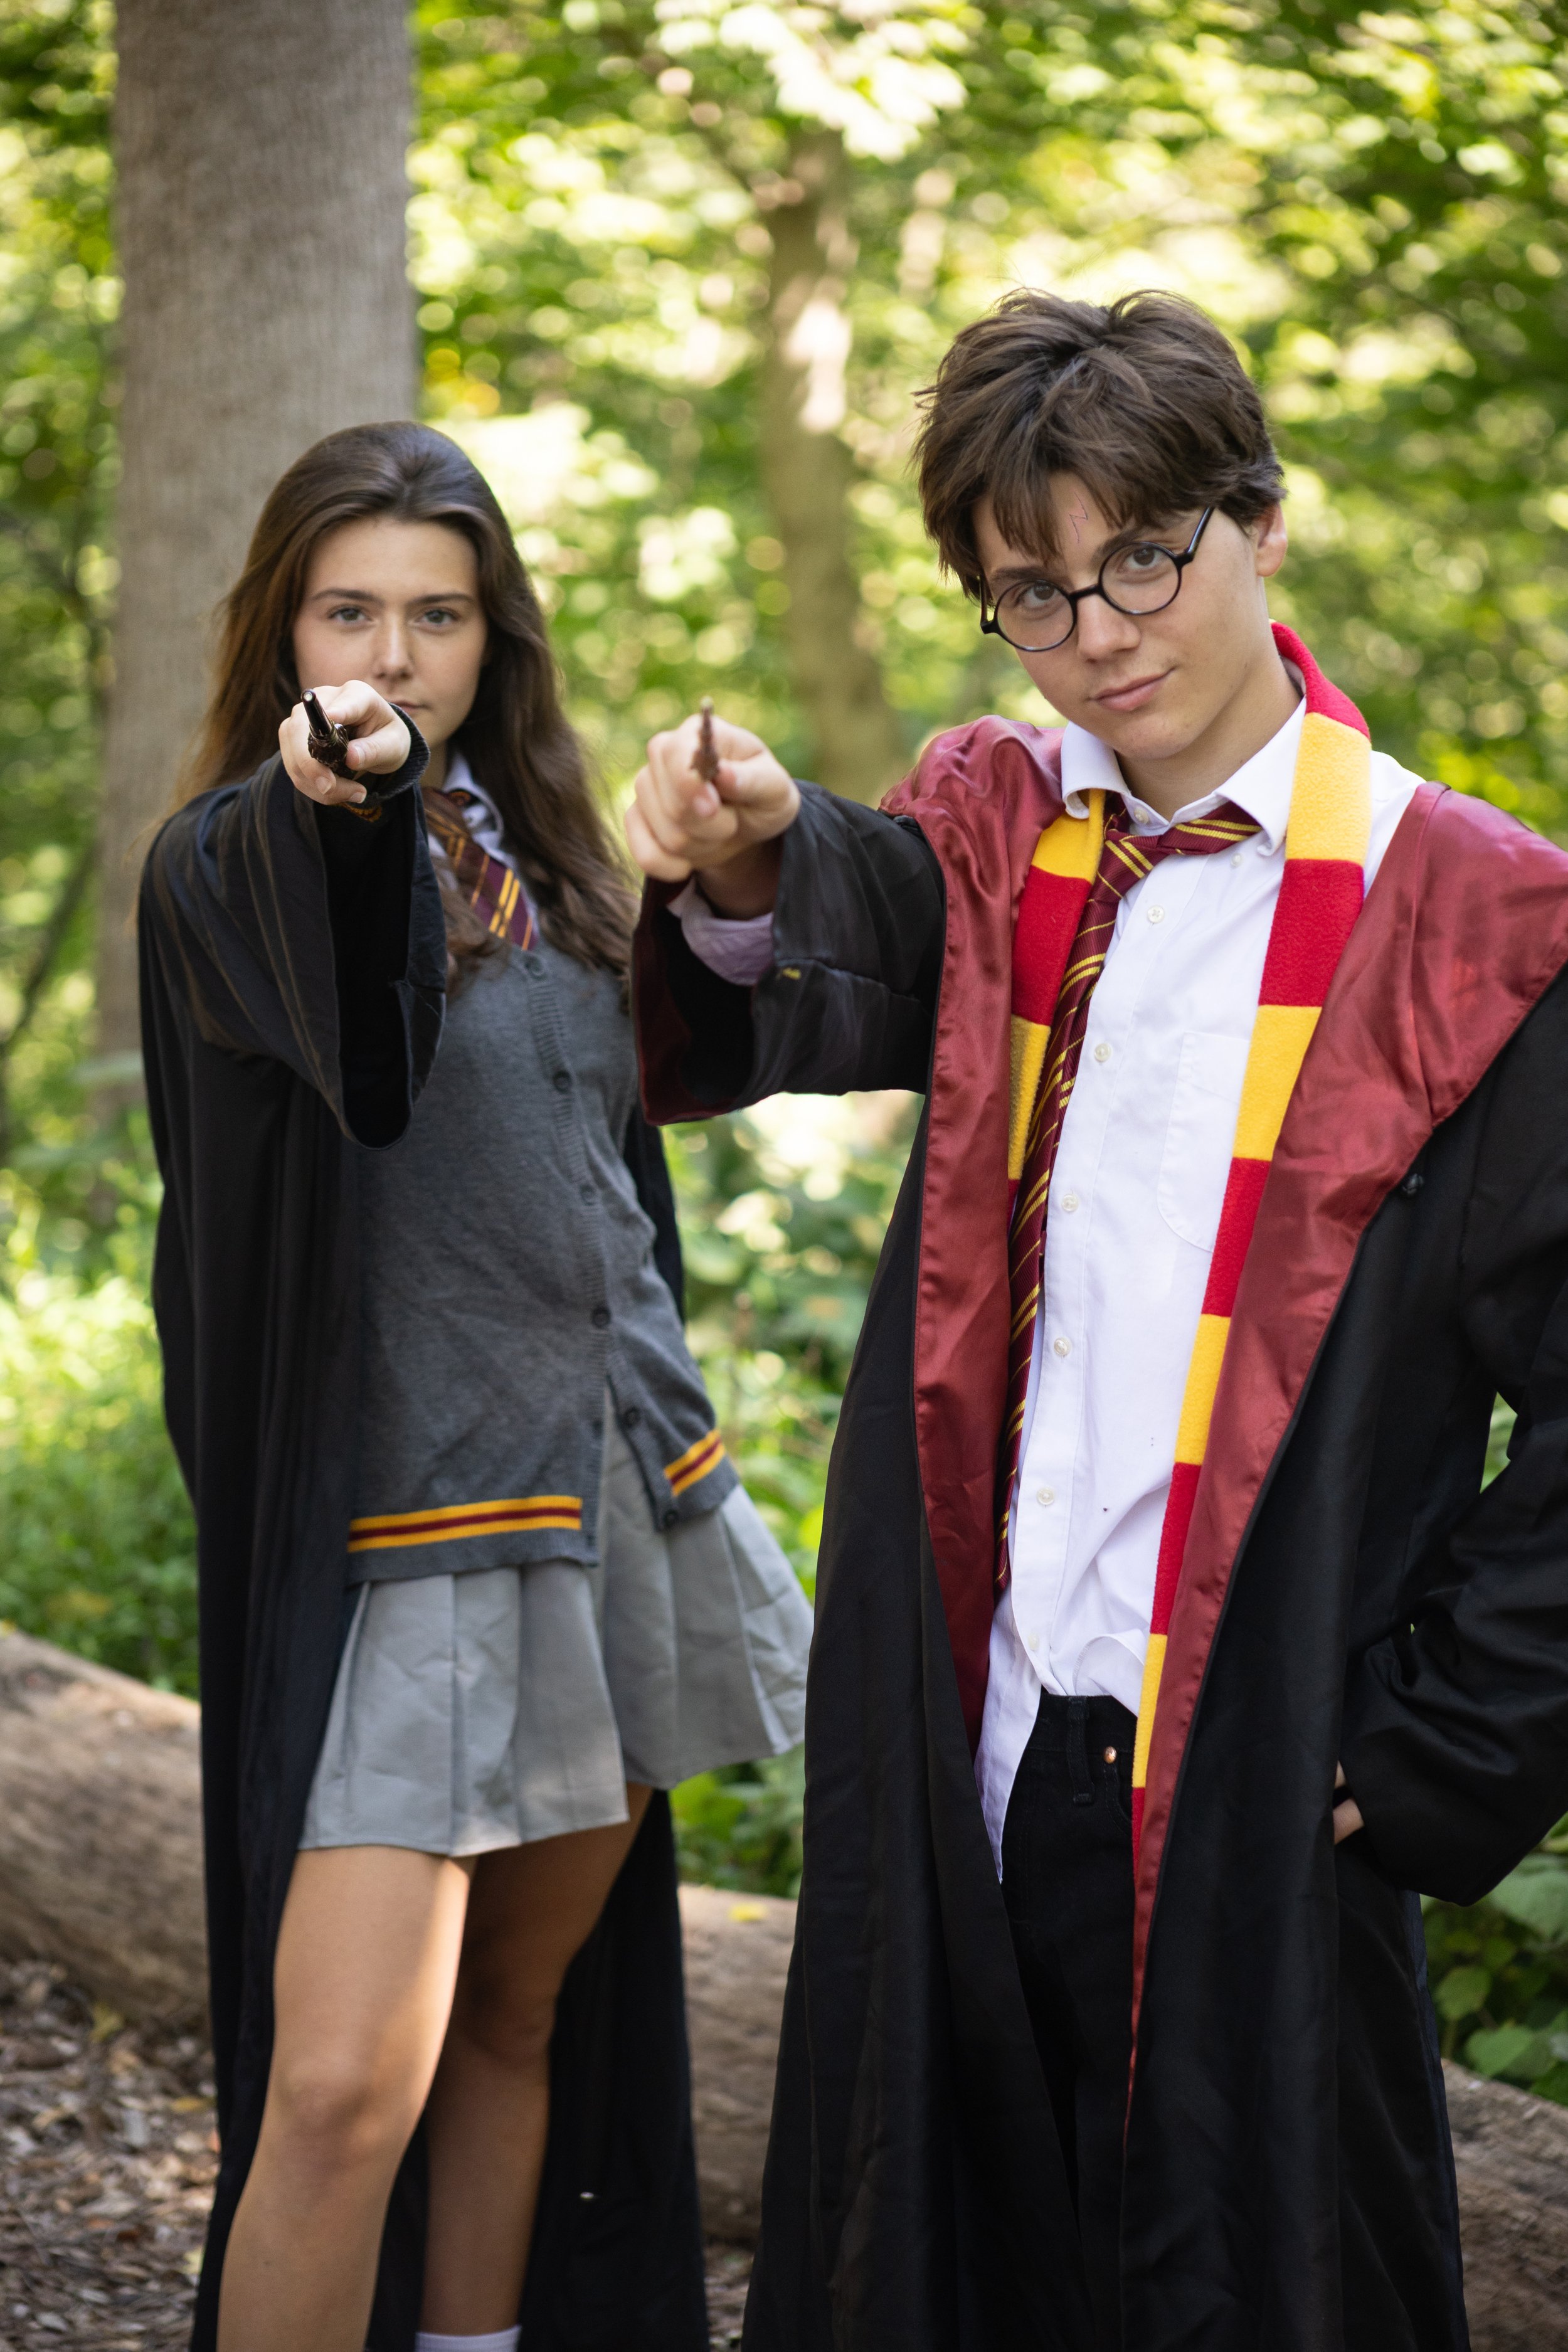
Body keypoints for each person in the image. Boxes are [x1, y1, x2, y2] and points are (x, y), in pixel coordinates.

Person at [623, 290, 1568, 2352]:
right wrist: (738, 851)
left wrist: (1439, 1747)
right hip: (975, 1716)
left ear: (1259, 523)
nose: (1103, 631)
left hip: (1248, 1750)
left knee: (1253, 2281)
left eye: (1146, 554)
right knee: (947, 2268)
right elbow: (826, 930)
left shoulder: (1471, 923)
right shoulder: (1002, 837)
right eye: (1035, 593)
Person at [139, 420, 813, 2352]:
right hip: (411, 1532)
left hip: (613, 1487)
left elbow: (688, 1088)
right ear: (284, 632)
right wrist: (336, 803)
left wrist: (732, 865)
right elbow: (352, 1010)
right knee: (345, 2087)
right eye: (348, 609)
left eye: (436, 614)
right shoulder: (238, 870)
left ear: (490, 639)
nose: (393, 651)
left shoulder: (563, 871)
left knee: (521, 2024)